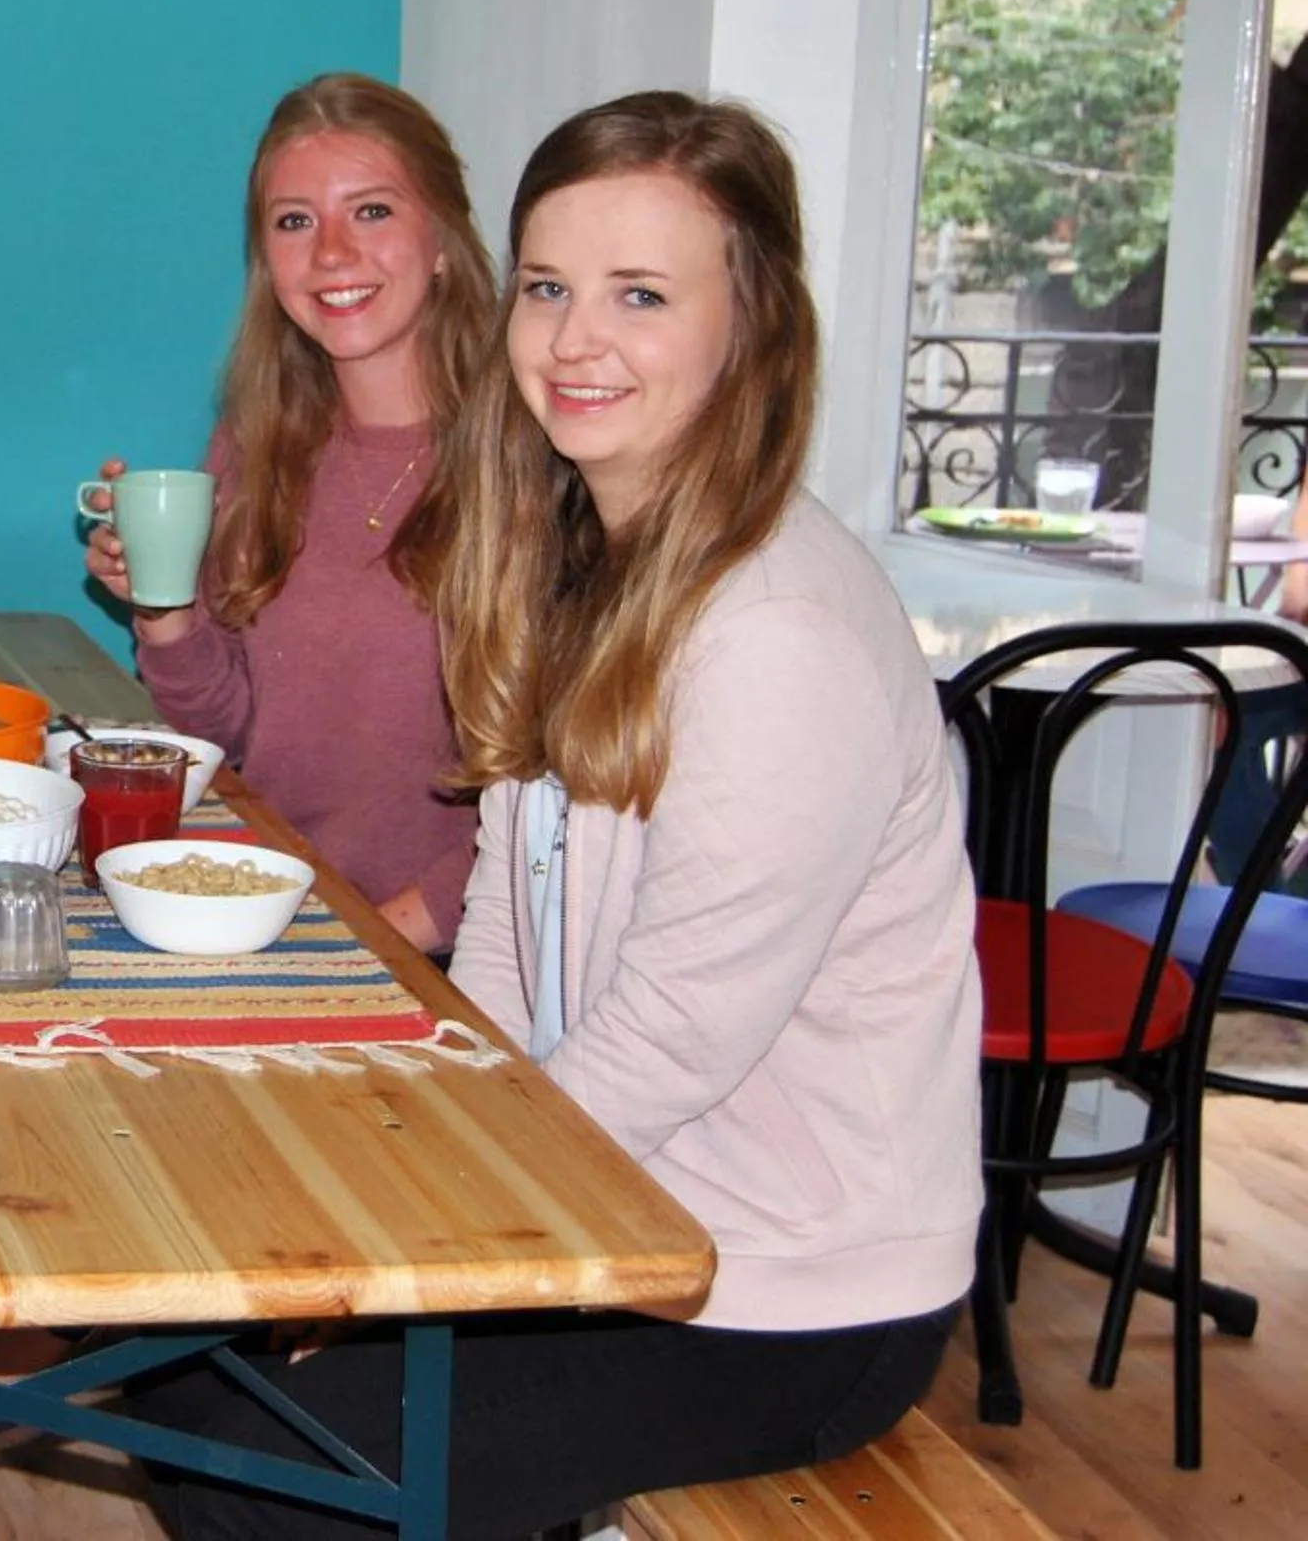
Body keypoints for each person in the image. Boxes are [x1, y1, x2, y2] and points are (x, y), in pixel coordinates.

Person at [137, 93, 983, 1537]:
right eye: (551, 288)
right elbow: (517, 958)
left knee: (264, 1473)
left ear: (753, 328)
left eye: (641, 296)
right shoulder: (568, 558)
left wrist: (417, 1248)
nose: (575, 340)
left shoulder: (778, 634)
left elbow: (664, 1049)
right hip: (610, 1199)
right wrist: (409, 1188)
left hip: (772, 1284)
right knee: (189, 1387)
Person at [84, 75, 497, 952]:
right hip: (269, 902)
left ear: (444, 241)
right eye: (295, 221)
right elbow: (228, 740)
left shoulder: (532, 466)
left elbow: (551, 811)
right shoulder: (257, 445)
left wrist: (369, 944)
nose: (333, 254)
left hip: (442, 954)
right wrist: (165, 610)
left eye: (374, 211)